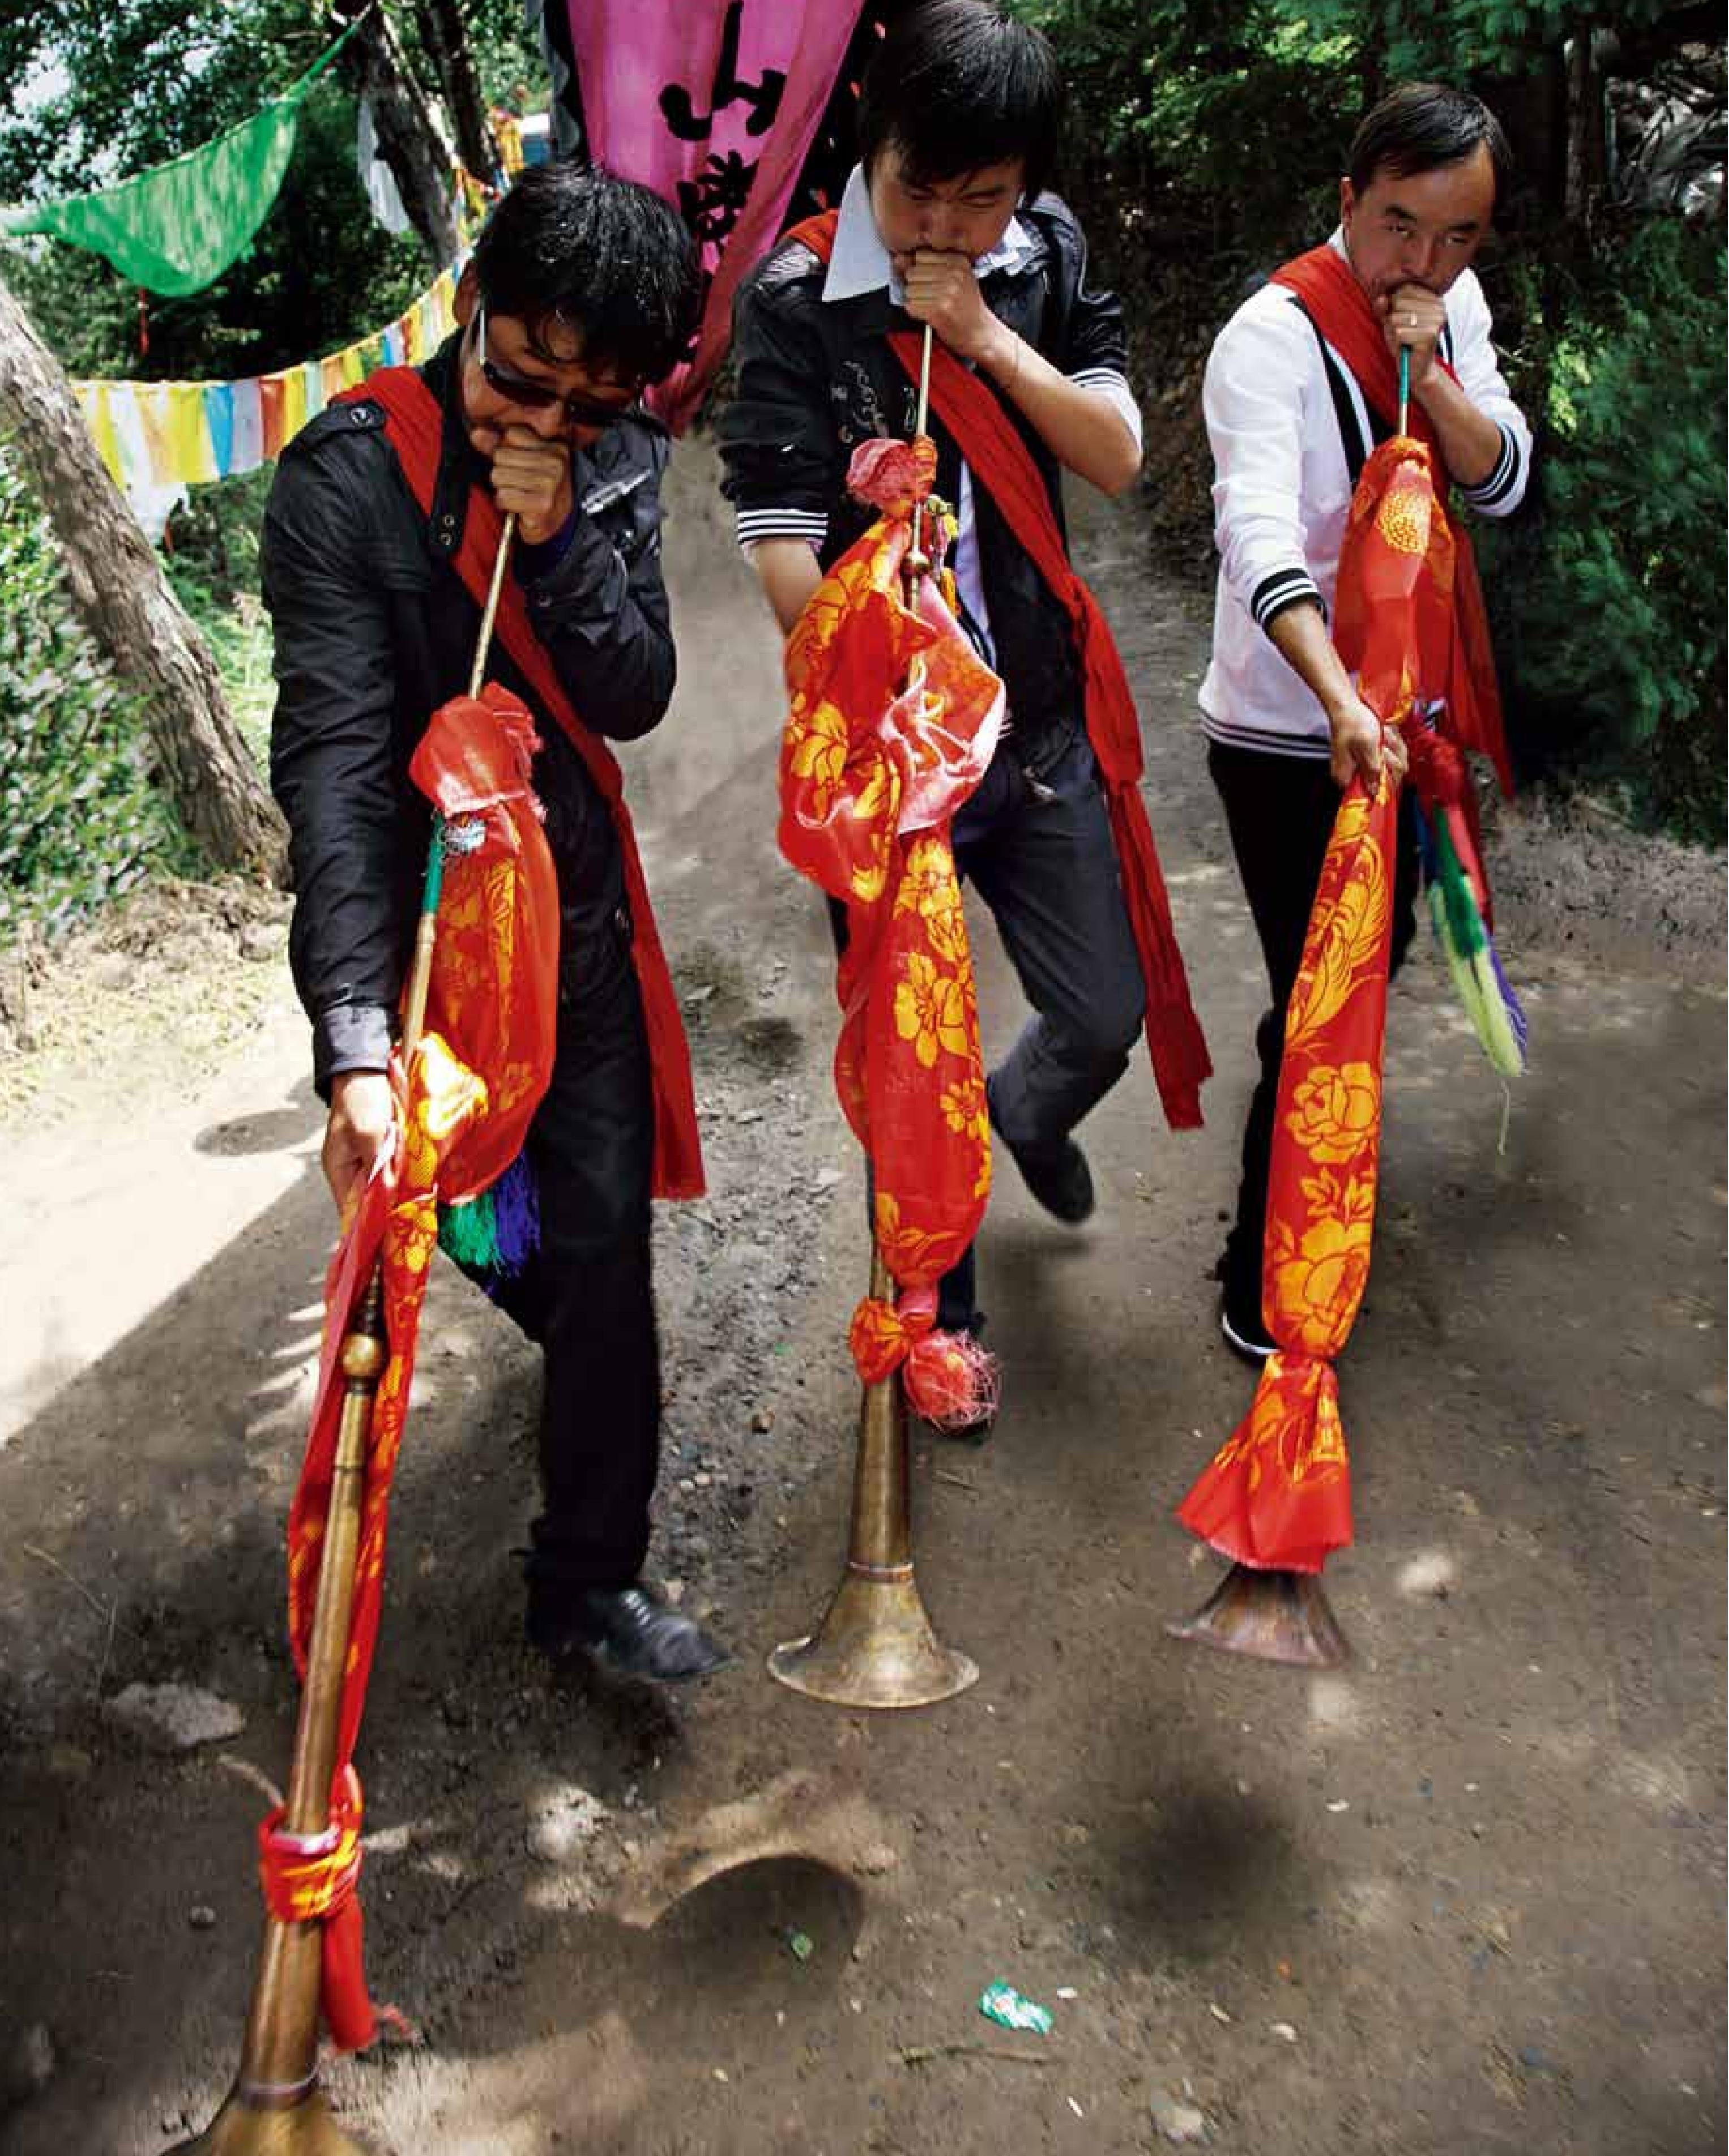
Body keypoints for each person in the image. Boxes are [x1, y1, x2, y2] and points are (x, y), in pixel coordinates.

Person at [263, 164, 730, 1684]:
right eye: (519, 381)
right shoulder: (350, 477)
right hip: (417, 950)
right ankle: (572, 1327)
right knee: (459, 1222)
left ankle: (588, 1581)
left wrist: (566, 545)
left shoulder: (609, 467)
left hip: (566, 914)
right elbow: (333, 765)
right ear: (473, 311)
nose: (541, 425)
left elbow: (636, 689)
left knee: (604, 1254)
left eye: (584, 409)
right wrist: (351, 1044)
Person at [719, 0, 1202, 1376]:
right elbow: (777, 546)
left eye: (980, 198)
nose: (940, 225)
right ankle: (938, 1321)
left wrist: (988, 338)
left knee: (1102, 1010)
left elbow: (1115, 455)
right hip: (886, 755)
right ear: (868, 146)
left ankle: (1031, 1113)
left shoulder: (1037, 265)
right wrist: (890, 649)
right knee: (903, 1064)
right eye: (913, 189)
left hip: (1033, 729)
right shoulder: (793, 300)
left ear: (1027, 186)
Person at [1200, 81, 1533, 1360]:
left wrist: (1435, 364)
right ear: (1347, 201)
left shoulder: (1453, 310)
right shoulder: (1270, 339)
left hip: (1406, 717)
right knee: (1316, 988)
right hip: (1290, 729)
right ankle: (1259, 1268)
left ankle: (1312, 1205)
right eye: (1401, 226)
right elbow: (1256, 539)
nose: (1426, 260)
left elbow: (1498, 477)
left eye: (1458, 237)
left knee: (1369, 966)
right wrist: (1338, 700)